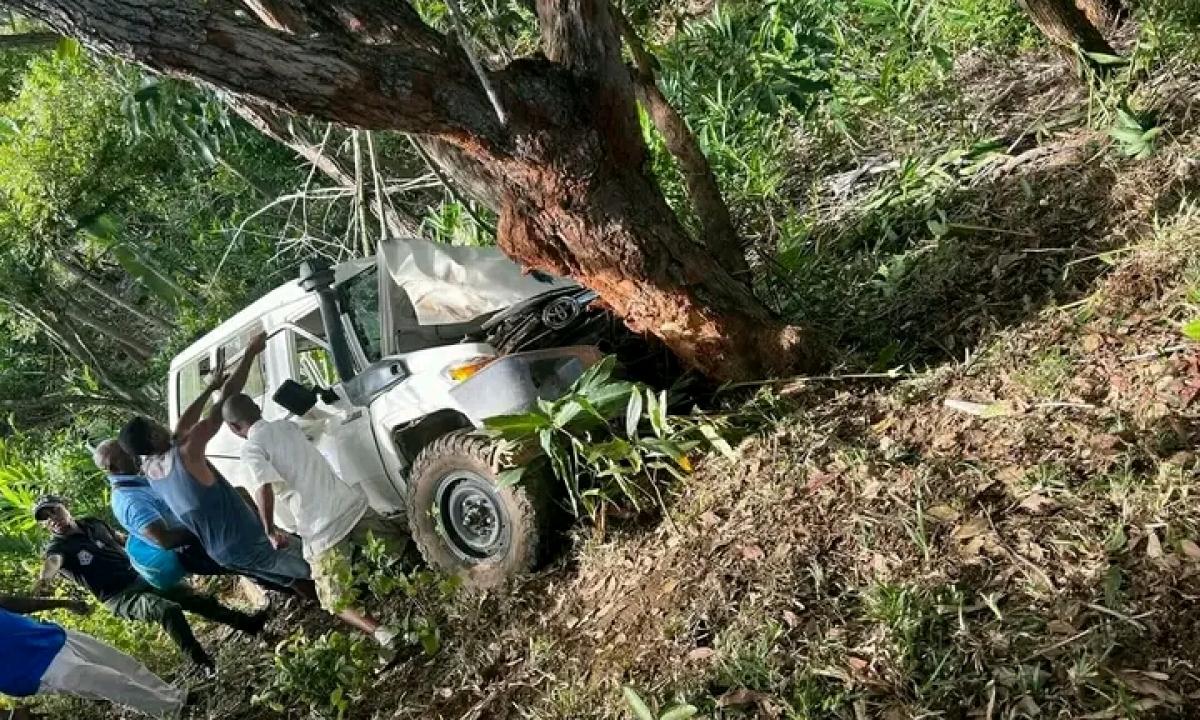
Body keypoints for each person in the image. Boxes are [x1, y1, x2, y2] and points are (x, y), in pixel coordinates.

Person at [118, 332, 317, 598]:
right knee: (314, 563)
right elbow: (225, 403)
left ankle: (335, 611)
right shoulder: (187, 452)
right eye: (156, 426)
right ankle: (359, 606)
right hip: (247, 540)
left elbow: (181, 427)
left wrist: (209, 389)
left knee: (289, 579)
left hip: (222, 552)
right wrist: (250, 353)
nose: (162, 425)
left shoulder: (152, 470)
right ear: (154, 436)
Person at [223, 392, 406, 648]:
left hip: (322, 529)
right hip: (351, 506)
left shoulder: (252, 450)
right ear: (256, 406)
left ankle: (383, 634)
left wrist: (270, 530)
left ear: (233, 427)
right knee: (397, 552)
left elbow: (262, 487)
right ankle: (422, 591)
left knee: (333, 599)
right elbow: (321, 422)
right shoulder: (287, 427)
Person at [32, 496, 266, 674]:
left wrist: (152, 546)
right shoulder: (59, 549)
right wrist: (44, 579)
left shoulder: (92, 523)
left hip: (140, 576)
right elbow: (53, 562)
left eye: (54, 510)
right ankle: (202, 664)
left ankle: (250, 625)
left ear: (65, 506)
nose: (53, 519)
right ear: (45, 526)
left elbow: (121, 539)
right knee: (167, 610)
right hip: (119, 596)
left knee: (193, 597)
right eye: (46, 518)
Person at [0, 594, 186, 718]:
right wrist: (9, 715)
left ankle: (174, 696)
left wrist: (63, 602)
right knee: (112, 682)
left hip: (51, 636)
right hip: (33, 670)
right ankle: (171, 710)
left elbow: (12, 602)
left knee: (123, 664)